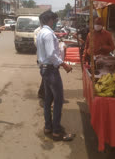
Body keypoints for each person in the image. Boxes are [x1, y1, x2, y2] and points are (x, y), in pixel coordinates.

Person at [37, 10, 75, 141]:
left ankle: (48, 127)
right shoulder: (48, 34)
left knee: (48, 99)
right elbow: (51, 54)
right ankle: (56, 131)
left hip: (45, 69)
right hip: (51, 70)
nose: (56, 22)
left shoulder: (41, 32)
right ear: (50, 20)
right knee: (58, 100)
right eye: (55, 20)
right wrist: (64, 64)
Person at [34, 24, 45, 100]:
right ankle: (43, 95)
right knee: (45, 76)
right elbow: (36, 44)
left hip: (46, 58)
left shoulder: (48, 30)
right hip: (42, 58)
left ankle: (41, 93)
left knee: (45, 77)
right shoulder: (38, 31)